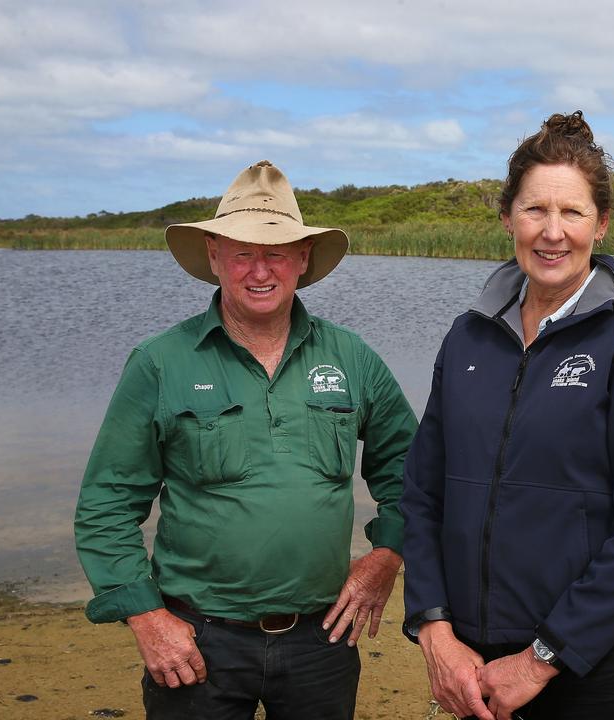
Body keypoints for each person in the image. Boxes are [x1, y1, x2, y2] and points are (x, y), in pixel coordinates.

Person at [74, 160, 417, 720]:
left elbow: (412, 470)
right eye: (242, 252)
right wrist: (146, 617)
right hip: (196, 639)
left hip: (323, 640)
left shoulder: (353, 358)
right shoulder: (161, 362)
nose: (261, 270)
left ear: (303, 259)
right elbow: (107, 503)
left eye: (277, 252)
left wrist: (386, 555)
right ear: (214, 257)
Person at [400, 111, 614, 720]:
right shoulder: (467, 338)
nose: (552, 232)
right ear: (508, 217)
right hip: (472, 663)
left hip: (595, 666)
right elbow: (423, 494)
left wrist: (542, 658)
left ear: (602, 223)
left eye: (573, 213)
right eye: (535, 210)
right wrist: (432, 627)